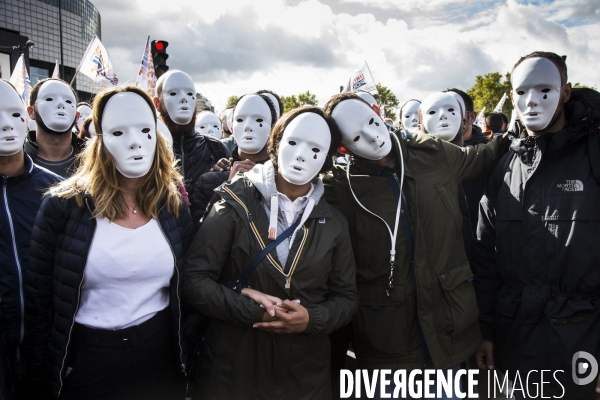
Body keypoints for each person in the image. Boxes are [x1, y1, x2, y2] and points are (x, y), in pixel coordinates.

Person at [323, 92, 509, 399]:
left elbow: (483, 157)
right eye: (357, 135)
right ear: (344, 146)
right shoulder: (342, 185)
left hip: (448, 335)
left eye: (372, 121)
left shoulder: (432, 153)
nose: (372, 135)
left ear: (377, 110)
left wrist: (523, 132)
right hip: (388, 348)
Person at [25, 85, 193, 400]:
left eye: (145, 130)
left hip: (159, 357)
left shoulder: (172, 204)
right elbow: (39, 301)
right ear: (100, 140)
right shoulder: (64, 206)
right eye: (119, 131)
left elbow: (190, 283)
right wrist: (40, 375)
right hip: (89, 361)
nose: (134, 142)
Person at [183, 106, 359, 400]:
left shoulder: (335, 223)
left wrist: (311, 319)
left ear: (327, 159)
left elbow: (347, 298)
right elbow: (194, 279)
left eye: (315, 148)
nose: (301, 155)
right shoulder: (234, 201)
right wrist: (256, 312)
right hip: (233, 373)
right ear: (276, 142)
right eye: (293, 142)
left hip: (304, 376)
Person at [474, 51, 600, 399]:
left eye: (544, 89)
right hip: (515, 342)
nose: (531, 100)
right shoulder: (505, 165)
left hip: (580, 342)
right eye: (521, 91)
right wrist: (487, 331)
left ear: (566, 92)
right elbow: (486, 256)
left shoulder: (594, 155)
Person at [0, 80, 61, 400]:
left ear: (27, 116)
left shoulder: (59, 191)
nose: (5, 125)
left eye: (12, 114)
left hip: (47, 350)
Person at [191, 93, 276, 230]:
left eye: (258, 119)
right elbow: (199, 239)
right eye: (240, 120)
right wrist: (227, 190)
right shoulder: (208, 182)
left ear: (273, 127)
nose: (248, 126)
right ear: (231, 128)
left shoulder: (284, 181)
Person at [153, 70, 230, 197]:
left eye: (190, 94)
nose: (184, 99)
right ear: (157, 103)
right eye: (173, 93)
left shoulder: (215, 148)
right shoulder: (150, 148)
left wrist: (220, 175)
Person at [24, 78, 84, 178]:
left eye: (68, 101)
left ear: (77, 116)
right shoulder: (19, 160)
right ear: (31, 112)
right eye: (49, 99)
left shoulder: (95, 159)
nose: (60, 104)